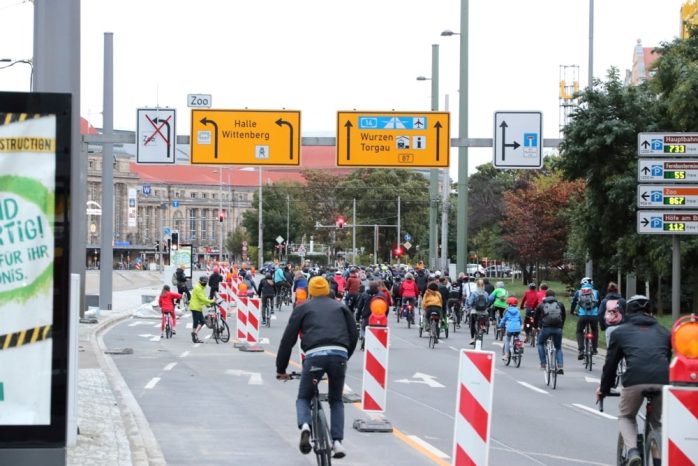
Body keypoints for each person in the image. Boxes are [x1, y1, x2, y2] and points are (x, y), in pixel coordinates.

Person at [276, 277, 359, 459]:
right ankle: (337, 442)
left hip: (314, 355)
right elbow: (353, 334)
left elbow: (287, 340)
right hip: (339, 354)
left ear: (310, 292)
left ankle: (305, 426)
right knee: (336, 399)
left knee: (303, 397)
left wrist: (281, 369)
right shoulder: (341, 307)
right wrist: (345, 355)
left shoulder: (302, 308)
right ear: (327, 289)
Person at [597, 295, 671, 466]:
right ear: (650, 311)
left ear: (626, 312)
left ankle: (632, 452)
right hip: (663, 380)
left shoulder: (620, 332)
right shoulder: (663, 331)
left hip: (635, 380)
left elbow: (610, 365)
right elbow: (666, 359)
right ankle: (658, 457)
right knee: (656, 422)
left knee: (626, 416)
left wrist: (604, 389)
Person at [534, 289, 566, 374]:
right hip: (558, 329)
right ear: (554, 296)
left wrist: (536, 327)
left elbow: (536, 317)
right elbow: (563, 316)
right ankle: (560, 366)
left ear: (546, 296)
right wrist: (561, 327)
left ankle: (543, 364)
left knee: (540, 343)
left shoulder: (541, 304)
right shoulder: (560, 304)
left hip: (546, 329)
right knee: (558, 347)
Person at [570, 277, 601, 359]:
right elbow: (599, 303)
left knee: (579, 331)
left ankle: (581, 350)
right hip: (594, 316)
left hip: (583, 316)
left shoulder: (578, 292)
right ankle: (594, 349)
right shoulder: (596, 292)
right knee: (595, 330)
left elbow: (574, 303)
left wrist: (572, 311)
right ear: (592, 283)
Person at [189, 275, 214, 343]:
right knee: (200, 321)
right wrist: (211, 301)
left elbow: (203, 297)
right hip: (195, 307)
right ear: (200, 281)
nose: (205, 283)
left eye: (206, 282)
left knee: (198, 322)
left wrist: (207, 304)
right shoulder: (198, 288)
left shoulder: (202, 287)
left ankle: (195, 335)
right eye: (204, 282)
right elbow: (202, 298)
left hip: (198, 307)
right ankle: (195, 333)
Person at [467, 279, 490, 345]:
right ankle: (484, 326)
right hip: (484, 311)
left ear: (476, 285)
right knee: (485, 317)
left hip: (475, 311)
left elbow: (470, 302)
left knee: (472, 323)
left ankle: (472, 338)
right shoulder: (485, 293)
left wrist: (470, 305)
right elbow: (488, 302)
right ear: (483, 285)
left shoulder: (474, 293)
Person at [499, 296, 522, 361]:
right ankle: (519, 346)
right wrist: (520, 325)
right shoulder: (518, 311)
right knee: (517, 337)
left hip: (510, 329)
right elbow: (520, 320)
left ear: (509, 304)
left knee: (507, 340)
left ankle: (506, 355)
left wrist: (500, 325)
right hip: (517, 328)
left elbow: (503, 320)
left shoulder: (507, 311)